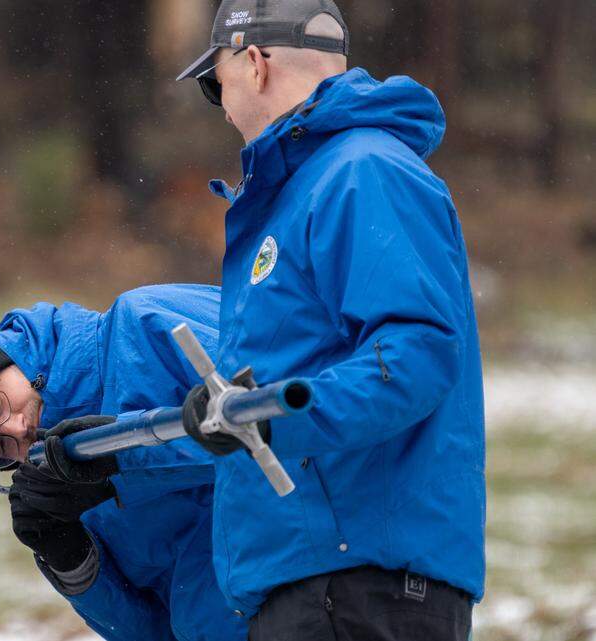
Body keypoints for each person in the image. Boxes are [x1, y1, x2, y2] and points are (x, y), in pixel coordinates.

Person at [174, 1, 484, 639]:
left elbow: (416, 354)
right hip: (317, 584)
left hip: (358, 589)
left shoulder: (361, 172)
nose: (223, 106)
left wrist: (268, 417)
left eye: (216, 83)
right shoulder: (307, 187)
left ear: (254, 64)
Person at [0, 284, 246, 640]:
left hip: (309, 581)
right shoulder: (71, 501)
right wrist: (71, 561)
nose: (17, 428)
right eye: (0, 447)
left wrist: (119, 461)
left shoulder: (142, 323)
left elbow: (280, 417)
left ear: (6, 358)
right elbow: (155, 631)